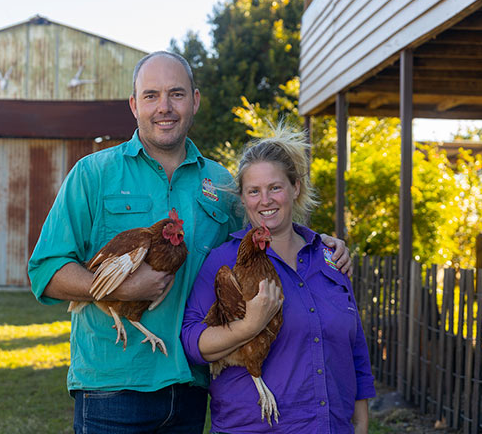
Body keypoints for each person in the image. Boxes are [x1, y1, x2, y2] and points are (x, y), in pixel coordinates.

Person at [28, 51, 352, 433]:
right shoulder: (93, 174)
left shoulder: (222, 185)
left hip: (193, 385)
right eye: (151, 96)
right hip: (112, 386)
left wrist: (318, 244)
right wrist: (122, 285)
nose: (164, 107)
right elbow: (46, 269)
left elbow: (262, 238)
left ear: (195, 100)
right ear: (134, 105)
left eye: (176, 94)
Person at [181, 125, 375, 434]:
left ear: (296, 187)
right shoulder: (224, 261)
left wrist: (360, 427)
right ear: (243, 199)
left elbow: (356, 355)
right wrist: (248, 326)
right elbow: (192, 342)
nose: (265, 200)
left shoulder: (330, 258)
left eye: (275, 187)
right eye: (253, 191)